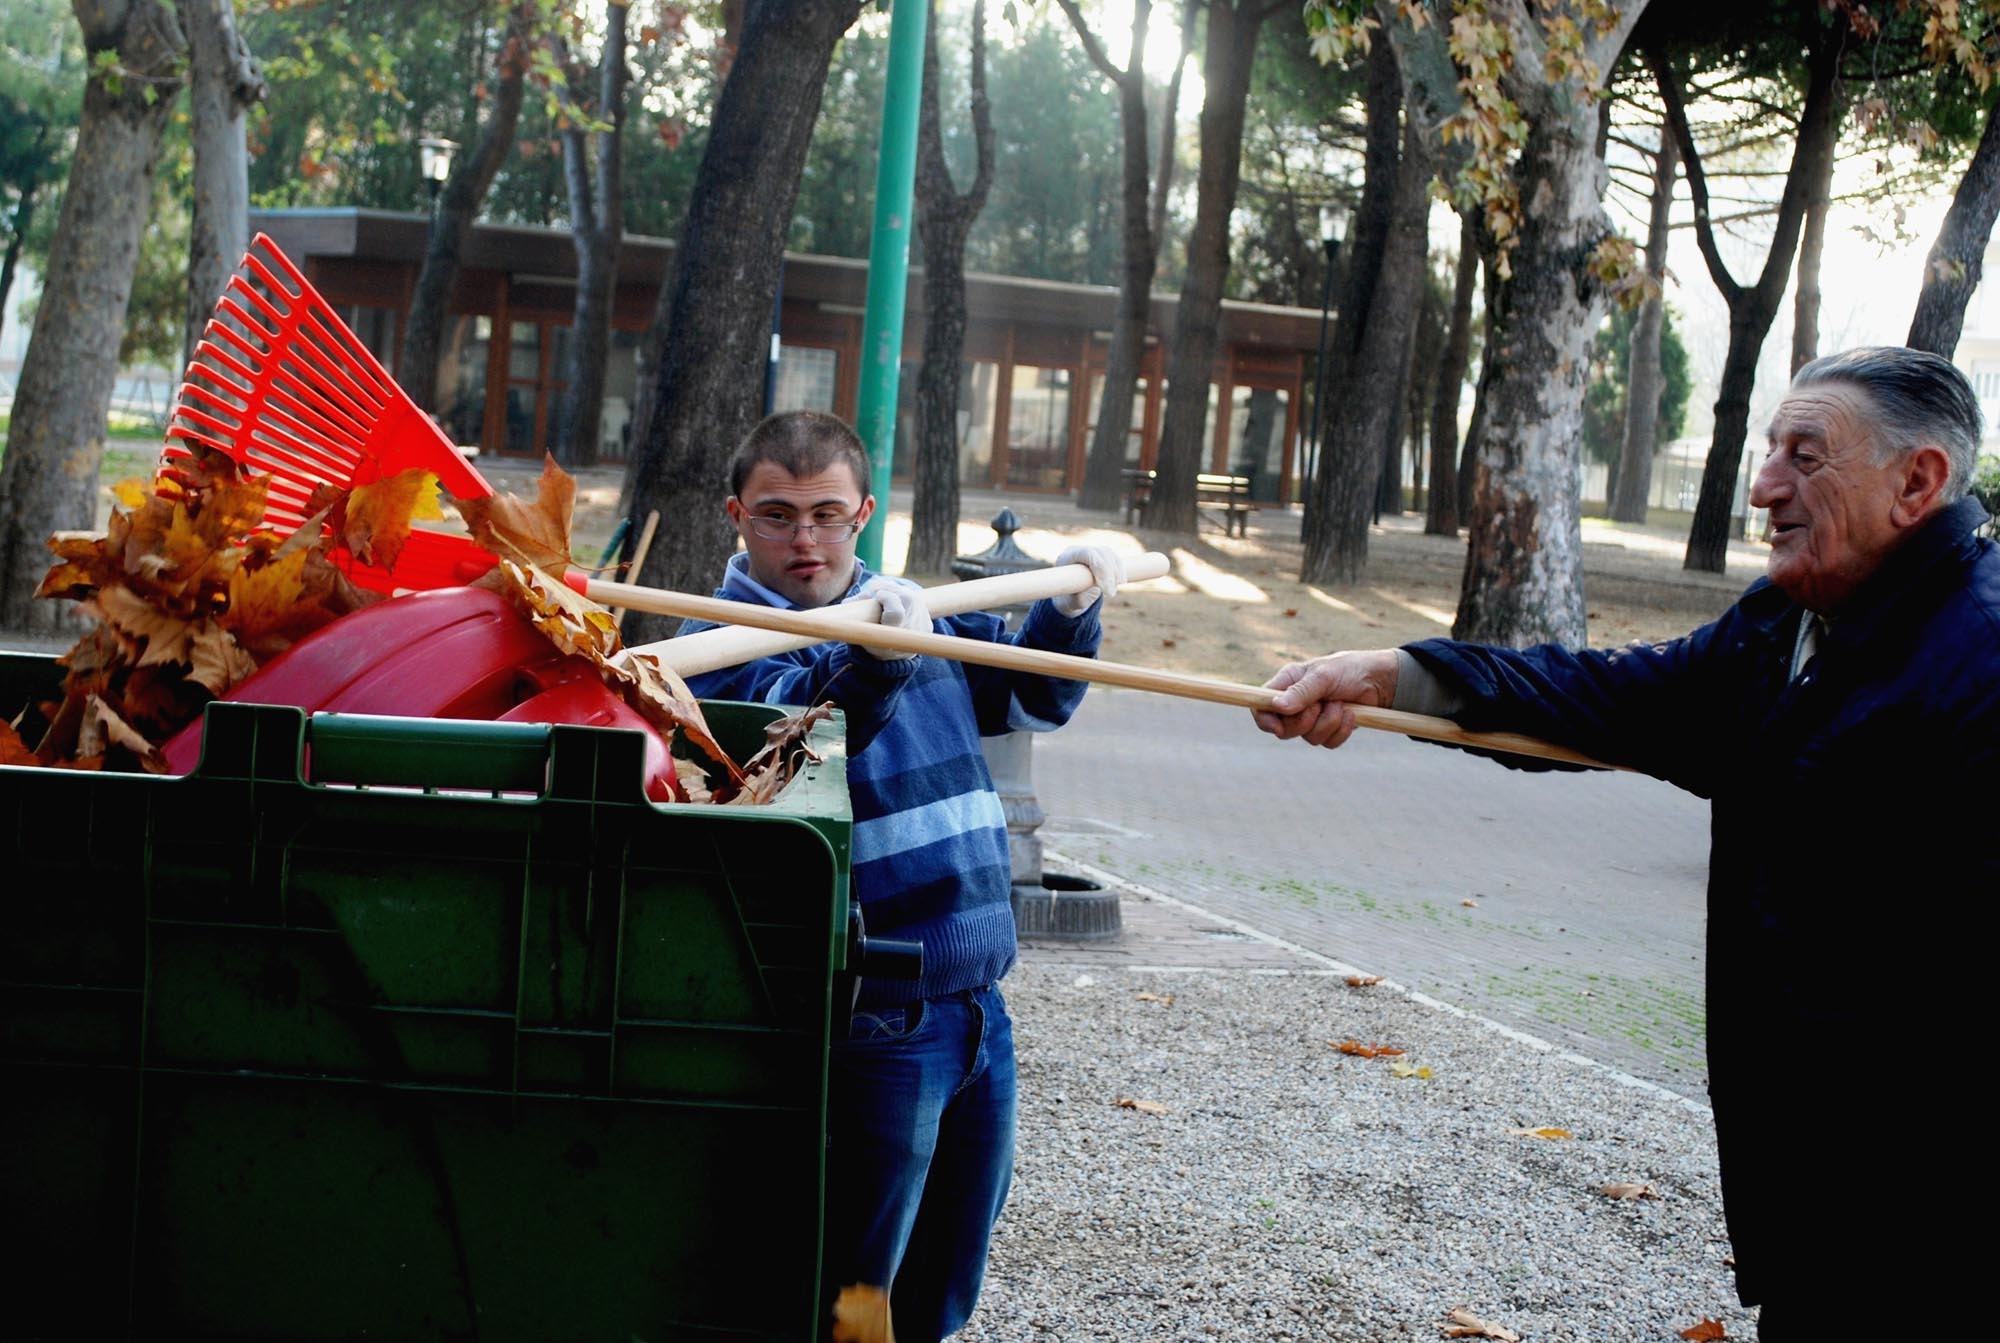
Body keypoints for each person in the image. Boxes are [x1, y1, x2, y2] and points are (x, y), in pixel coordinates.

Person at [1252, 347, 1998, 1338]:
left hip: (1935, 1222)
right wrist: (1394, 676)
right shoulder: (1788, 621)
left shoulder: (1977, 665)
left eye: (1804, 456)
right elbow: (1615, 697)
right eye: (1768, 450)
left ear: (1917, 481)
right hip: (1820, 1203)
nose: (1763, 486)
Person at [676, 409, 1124, 1341]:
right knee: (851, 1293)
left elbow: (1032, 693)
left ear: (864, 512)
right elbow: (794, 746)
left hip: (979, 1006)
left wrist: (1070, 609)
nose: (805, 538)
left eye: (828, 514)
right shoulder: (723, 645)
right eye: (777, 514)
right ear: (735, 515)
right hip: (872, 1017)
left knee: (944, 1284)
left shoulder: (914, 613)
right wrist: (871, 665)